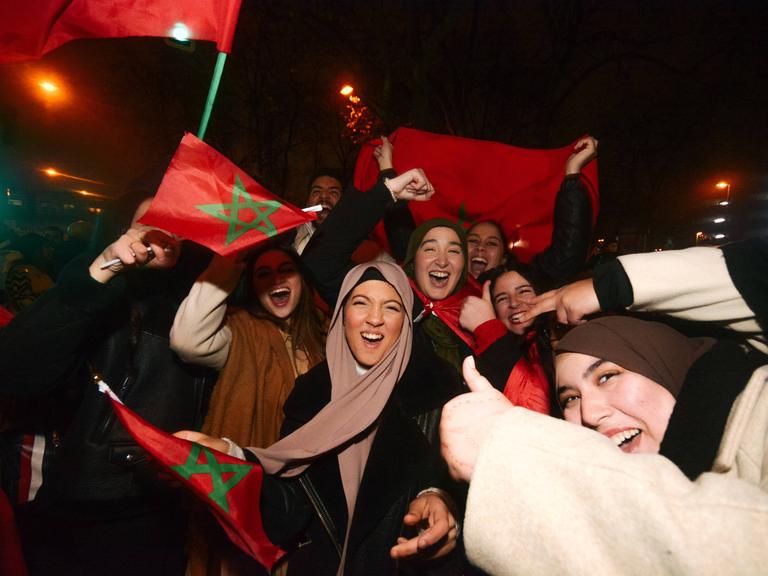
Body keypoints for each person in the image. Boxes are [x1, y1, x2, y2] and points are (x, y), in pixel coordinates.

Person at [440, 239, 768, 574]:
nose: (590, 413)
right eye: (570, 399)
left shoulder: (757, 413)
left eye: (608, 377)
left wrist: (612, 285)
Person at [177, 261, 463, 576]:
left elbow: (457, 491)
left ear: (406, 323)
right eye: (360, 303)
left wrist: (440, 501)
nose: (375, 319)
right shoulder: (309, 396)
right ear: (341, 315)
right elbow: (289, 510)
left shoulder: (438, 395)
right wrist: (229, 461)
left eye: (392, 308)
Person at [0, 193, 216, 575]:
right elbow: (16, 369)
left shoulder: (206, 307)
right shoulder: (97, 291)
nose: (166, 226)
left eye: (179, 220)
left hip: (168, 517)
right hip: (81, 519)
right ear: (125, 231)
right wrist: (101, 270)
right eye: (151, 217)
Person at [170, 245, 327, 576]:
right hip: (250, 495)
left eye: (287, 270)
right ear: (252, 285)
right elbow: (187, 340)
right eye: (263, 273)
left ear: (302, 279)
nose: (275, 279)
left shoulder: (325, 337)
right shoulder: (238, 331)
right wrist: (224, 267)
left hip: (313, 498)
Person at [292, 170, 343, 255]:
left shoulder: (358, 242)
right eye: (316, 191)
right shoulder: (290, 237)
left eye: (333, 192)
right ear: (308, 202)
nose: (324, 196)